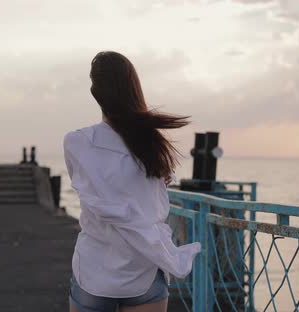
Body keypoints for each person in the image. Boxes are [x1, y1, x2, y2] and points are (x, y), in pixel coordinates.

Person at [63, 51, 202, 312]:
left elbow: (88, 184)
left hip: (94, 267)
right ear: (133, 89)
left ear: (96, 93)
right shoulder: (152, 143)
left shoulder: (76, 142)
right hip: (144, 265)